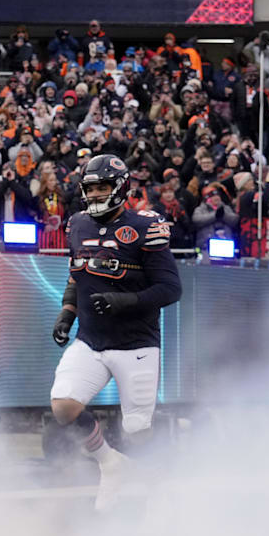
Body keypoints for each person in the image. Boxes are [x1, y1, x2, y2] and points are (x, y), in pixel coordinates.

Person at [50, 154, 182, 512]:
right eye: (90, 188)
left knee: (138, 430)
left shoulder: (144, 226)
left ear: (121, 188)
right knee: (64, 405)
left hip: (135, 344)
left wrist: (125, 301)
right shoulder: (77, 223)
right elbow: (77, 274)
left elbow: (171, 289)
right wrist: (66, 313)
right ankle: (110, 463)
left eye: (102, 187)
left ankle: (160, 485)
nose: (95, 194)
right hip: (91, 341)